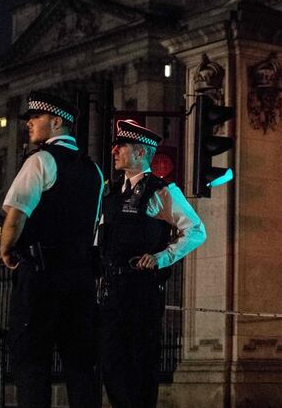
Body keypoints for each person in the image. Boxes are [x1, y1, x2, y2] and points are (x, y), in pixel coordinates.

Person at [0, 90, 104, 408]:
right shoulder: (94, 170)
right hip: (80, 279)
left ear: (57, 121)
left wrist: (6, 249)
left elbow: (16, 216)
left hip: (41, 276)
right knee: (81, 365)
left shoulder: (40, 160)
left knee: (31, 360)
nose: (29, 124)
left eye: (35, 118)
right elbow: (96, 225)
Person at [98, 118, 206, 408]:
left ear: (141, 152)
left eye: (121, 146)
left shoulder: (160, 190)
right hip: (111, 289)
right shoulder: (110, 193)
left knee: (140, 364)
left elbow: (196, 230)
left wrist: (160, 258)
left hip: (141, 290)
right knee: (110, 363)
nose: (115, 151)